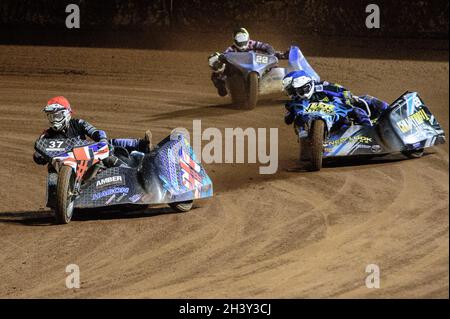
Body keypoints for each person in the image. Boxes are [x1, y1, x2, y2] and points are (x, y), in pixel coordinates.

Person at [33, 96, 152, 167]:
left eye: (57, 116)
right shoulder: (47, 135)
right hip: (65, 168)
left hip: (88, 162)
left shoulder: (78, 123)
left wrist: (103, 140)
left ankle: (140, 147)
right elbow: (38, 155)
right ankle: (58, 197)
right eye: (51, 117)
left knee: (108, 148)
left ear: (66, 114)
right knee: (51, 169)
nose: (54, 120)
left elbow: (97, 132)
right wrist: (39, 155)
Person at [282, 71, 388, 128]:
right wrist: (292, 114)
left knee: (363, 102)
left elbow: (344, 91)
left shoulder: (323, 86)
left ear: (307, 86)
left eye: (297, 91)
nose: (294, 94)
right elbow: (287, 120)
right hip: (316, 121)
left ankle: (388, 116)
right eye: (291, 91)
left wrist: (348, 100)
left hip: (336, 110)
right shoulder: (296, 102)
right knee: (300, 122)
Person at [208, 27, 289, 96]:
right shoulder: (231, 50)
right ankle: (221, 86)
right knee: (216, 73)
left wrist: (271, 53)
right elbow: (225, 55)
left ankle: (289, 82)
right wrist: (222, 58)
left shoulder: (253, 43)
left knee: (275, 55)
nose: (242, 45)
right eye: (239, 42)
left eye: (243, 41)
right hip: (241, 72)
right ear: (234, 41)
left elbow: (267, 47)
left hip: (260, 66)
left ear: (248, 38)